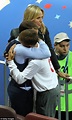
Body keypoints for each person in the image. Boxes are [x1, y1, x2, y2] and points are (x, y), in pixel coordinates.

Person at [5, 31, 59, 118]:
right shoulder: (42, 50)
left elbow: (20, 79)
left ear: (28, 46)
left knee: (44, 119)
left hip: (47, 93)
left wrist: (10, 61)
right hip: (50, 89)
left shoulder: (36, 62)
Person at [8, 4, 69, 79]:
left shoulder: (43, 30)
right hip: (24, 74)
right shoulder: (16, 33)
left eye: (42, 17)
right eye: (38, 18)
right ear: (30, 18)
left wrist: (57, 70)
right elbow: (9, 54)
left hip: (40, 75)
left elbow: (49, 49)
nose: (41, 21)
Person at [54, 32, 72, 120]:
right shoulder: (49, 58)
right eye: (62, 46)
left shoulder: (71, 57)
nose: (65, 49)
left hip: (70, 103)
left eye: (67, 45)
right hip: (55, 102)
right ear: (55, 45)